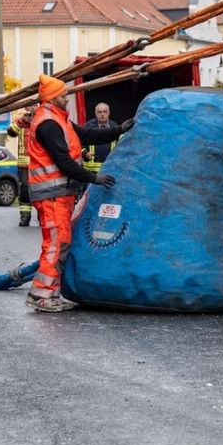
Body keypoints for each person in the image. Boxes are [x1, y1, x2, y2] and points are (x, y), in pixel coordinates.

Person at [25, 75, 131, 312]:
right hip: (51, 196)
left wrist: (117, 130)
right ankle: (40, 295)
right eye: (64, 95)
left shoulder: (59, 120)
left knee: (60, 243)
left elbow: (86, 134)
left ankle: (49, 293)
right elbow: (63, 160)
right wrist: (94, 177)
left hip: (59, 195)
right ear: (53, 98)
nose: (67, 98)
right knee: (55, 245)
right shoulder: (48, 124)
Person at [7, 106, 35, 227]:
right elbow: (11, 132)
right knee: (24, 190)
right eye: (30, 106)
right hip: (24, 164)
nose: (32, 109)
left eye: (34, 105)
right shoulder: (20, 121)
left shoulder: (42, 118)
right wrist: (21, 121)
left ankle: (43, 216)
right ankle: (25, 217)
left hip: (39, 163)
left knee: (42, 190)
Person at [82, 102, 119, 174]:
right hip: (91, 172)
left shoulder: (115, 127)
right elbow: (78, 143)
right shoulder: (87, 127)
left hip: (109, 169)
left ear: (109, 113)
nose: (102, 114)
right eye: (99, 112)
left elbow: (121, 146)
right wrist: (85, 153)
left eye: (105, 112)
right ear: (95, 113)